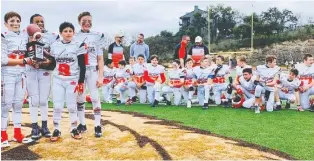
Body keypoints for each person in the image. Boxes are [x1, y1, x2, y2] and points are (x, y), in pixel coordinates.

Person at [49, 22, 86, 142]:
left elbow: (82, 65)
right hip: (58, 79)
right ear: (61, 33)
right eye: (65, 31)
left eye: (70, 31)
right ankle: (56, 128)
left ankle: (74, 128)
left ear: (74, 32)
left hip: (72, 79)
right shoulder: (54, 45)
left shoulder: (79, 44)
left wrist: (81, 81)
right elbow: (52, 63)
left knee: (71, 105)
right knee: (57, 105)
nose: (68, 33)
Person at [1, 11, 33, 148]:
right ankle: (2, 136)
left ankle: (17, 133)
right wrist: (24, 60)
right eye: (12, 21)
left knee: (18, 105)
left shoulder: (25, 36)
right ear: (5, 24)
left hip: (21, 75)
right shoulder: (3, 35)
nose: (15, 23)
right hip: (7, 74)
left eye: (17, 21)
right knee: (5, 106)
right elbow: (2, 60)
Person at [27, 13, 59, 140]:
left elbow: (54, 53)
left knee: (43, 100)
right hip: (31, 70)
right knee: (33, 100)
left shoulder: (51, 36)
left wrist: (48, 60)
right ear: (31, 24)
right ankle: (35, 126)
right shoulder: (25, 36)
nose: (40, 23)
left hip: (44, 70)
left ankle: (45, 126)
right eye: (37, 22)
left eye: (42, 21)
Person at [74, 12, 105, 137]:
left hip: (92, 70)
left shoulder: (98, 36)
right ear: (79, 22)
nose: (87, 22)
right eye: (84, 20)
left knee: (94, 97)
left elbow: (100, 59)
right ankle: (82, 123)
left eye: (89, 20)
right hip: (79, 71)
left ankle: (97, 125)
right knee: (79, 97)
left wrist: (101, 76)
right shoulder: (73, 35)